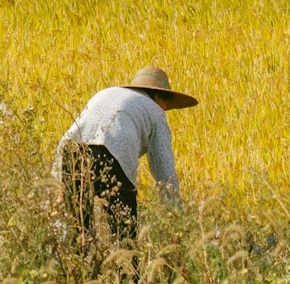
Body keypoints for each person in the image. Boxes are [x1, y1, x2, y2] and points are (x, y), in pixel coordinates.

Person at [54, 66, 198, 249]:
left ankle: (74, 273)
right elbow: (165, 171)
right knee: (125, 234)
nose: (166, 109)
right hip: (112, 154)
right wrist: (175, 219)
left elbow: (73, 136)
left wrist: (60, 184)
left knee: (78, 230)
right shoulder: (155, 110)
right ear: (159, 97)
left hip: (73, 153)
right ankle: (129, 276)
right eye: (167, 103)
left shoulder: (107, 94)